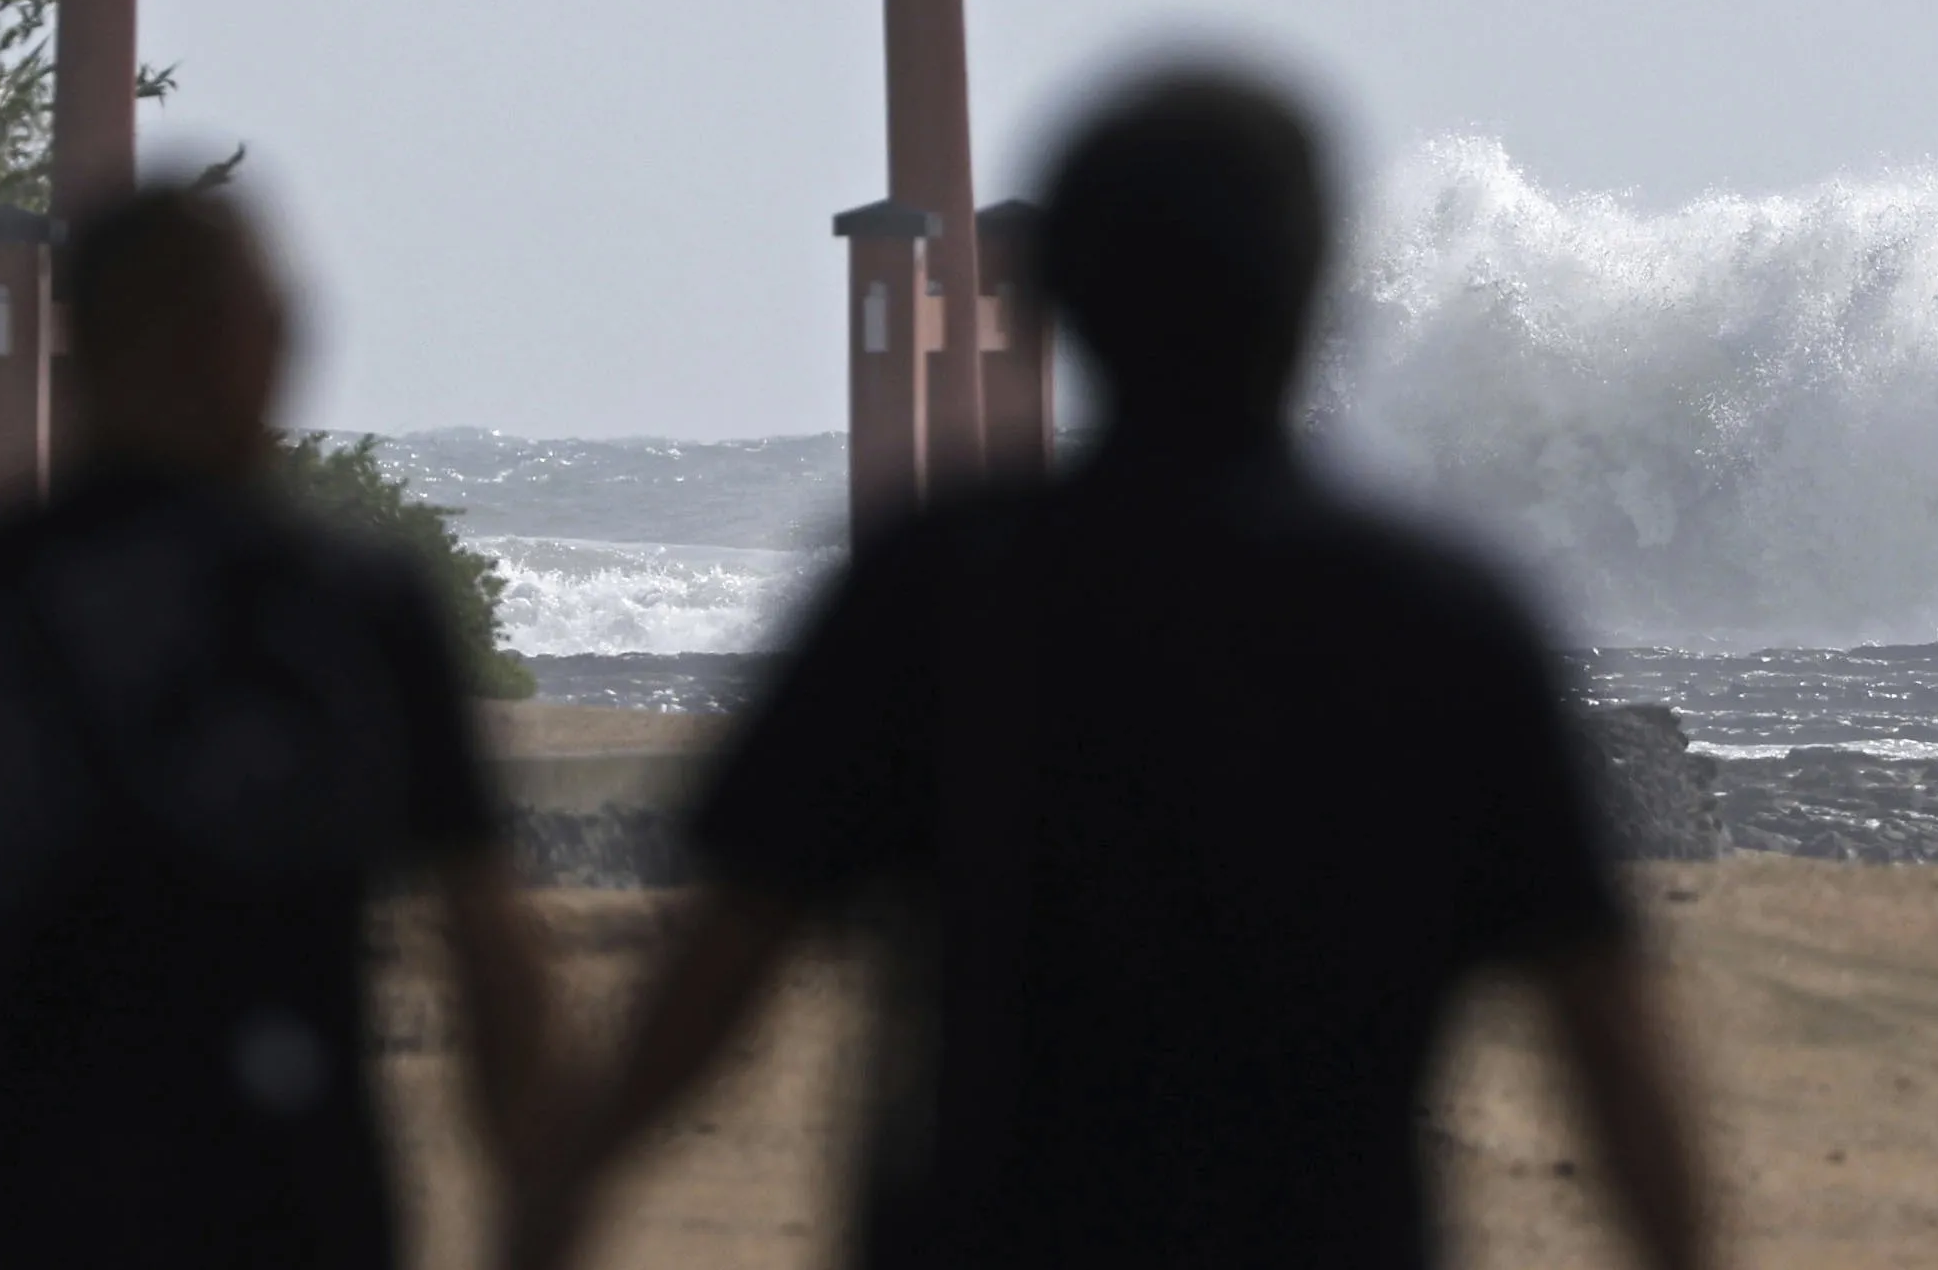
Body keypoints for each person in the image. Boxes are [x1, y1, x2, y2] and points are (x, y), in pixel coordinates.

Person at [513, 68, 1713, 1270]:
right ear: (1314, 299)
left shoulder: (937, 588)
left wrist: (562, 1190)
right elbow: (1603, 1031)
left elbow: (729, 953)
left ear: (1051, 297)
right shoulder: (1440, 619)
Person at [0, 187, 547, 1270]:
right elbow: (485, 947)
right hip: (279, 1207)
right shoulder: (354, 608)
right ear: (238, 338)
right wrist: (541, 1209)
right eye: (278, 318)